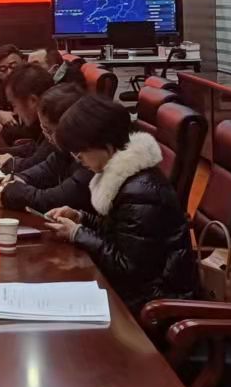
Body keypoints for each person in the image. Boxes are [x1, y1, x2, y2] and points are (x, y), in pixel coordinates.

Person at [42, 95, 197, 310]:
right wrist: (80, 218)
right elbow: (120, 233)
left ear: (106, 146)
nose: (78, 158)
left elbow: (127, 267)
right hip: (139, 291)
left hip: (154, 303)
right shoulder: (127, 179)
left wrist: (78, 233)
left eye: (81, 151)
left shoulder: (141, 192)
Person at [0, 81, 92, 215]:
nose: (48, 138)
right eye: (43, 129)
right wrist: (20, 178)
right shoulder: (65, 150)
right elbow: (46, 169)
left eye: (49, 131)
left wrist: (14, 192)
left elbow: (49, 200)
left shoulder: (90, 158)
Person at [0, 62, 53, 163]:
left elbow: (37, 162)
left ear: (32, 101)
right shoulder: (42, 122)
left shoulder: (54, 125)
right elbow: (33, 148)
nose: (15, 112)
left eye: (14, 105)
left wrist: (8, 164)